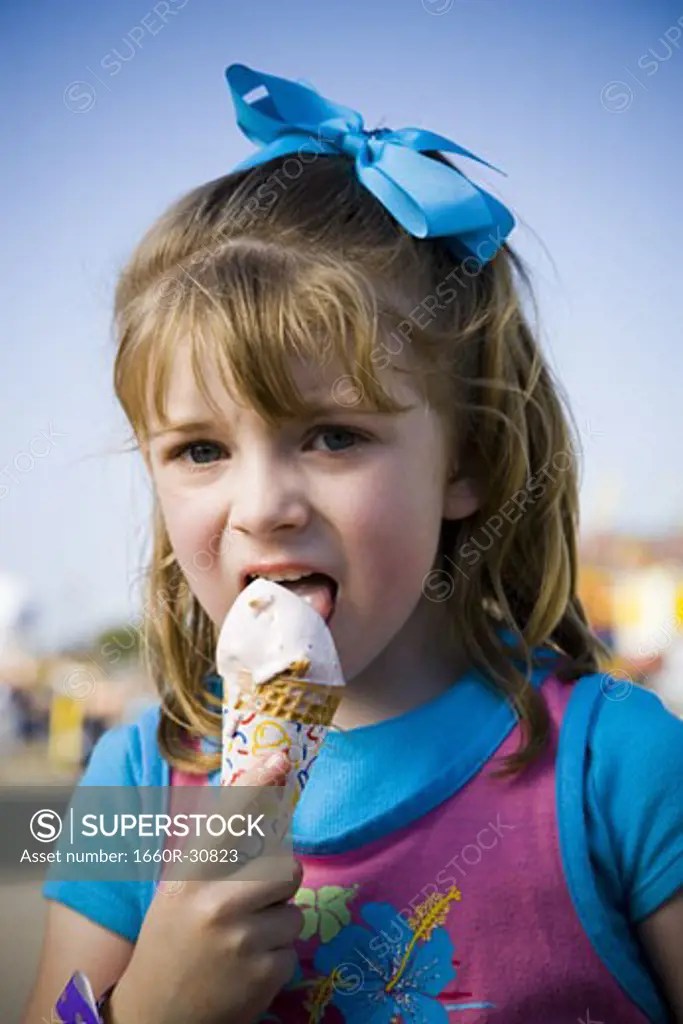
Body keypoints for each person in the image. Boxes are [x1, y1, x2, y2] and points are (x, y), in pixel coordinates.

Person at [23, 64, 682, 1024]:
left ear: (470, 462)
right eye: (200, 448)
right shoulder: (135, 784)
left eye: (333, 435)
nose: (264, 506)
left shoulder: (615, 767)